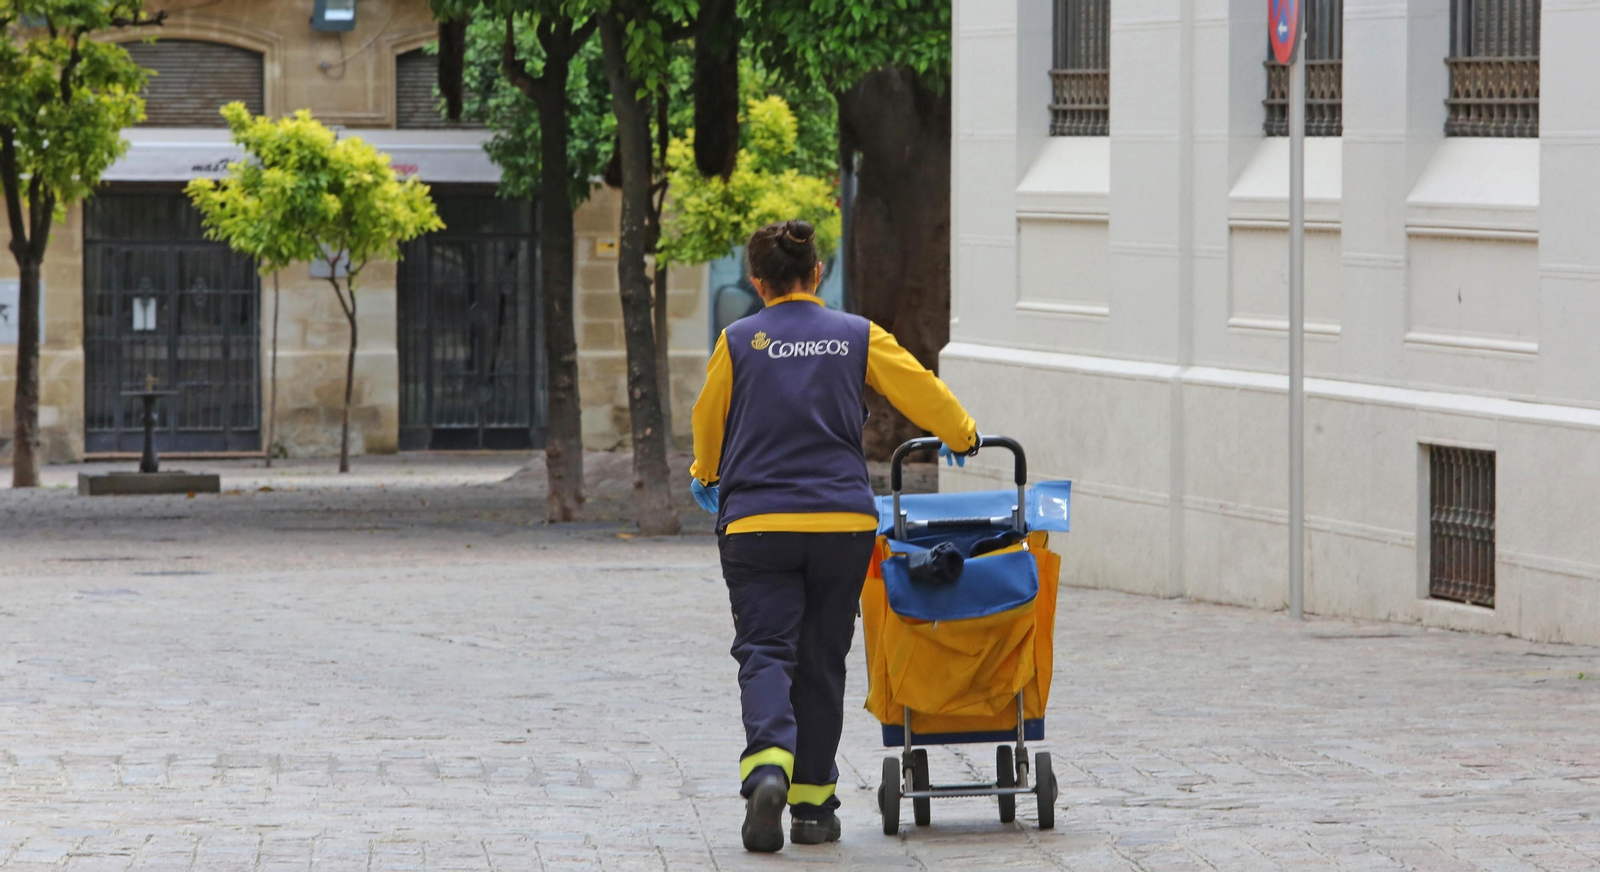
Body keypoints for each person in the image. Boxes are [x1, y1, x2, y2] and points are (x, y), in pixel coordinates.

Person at [689, 219, 980, 852]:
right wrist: (963, 435)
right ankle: (815, 810)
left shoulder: (739, 340)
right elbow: (916, 386)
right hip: (842, 525)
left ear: (757, 281)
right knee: (821, 662)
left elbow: (708, 414)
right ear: (816, 274)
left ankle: (768, 766)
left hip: (758, 525)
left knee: (765, 649)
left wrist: (706, 472)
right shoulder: (855, 335)